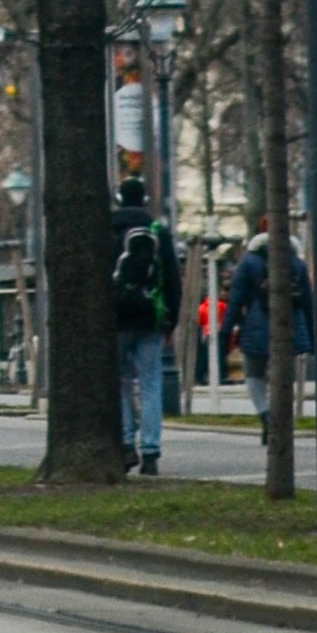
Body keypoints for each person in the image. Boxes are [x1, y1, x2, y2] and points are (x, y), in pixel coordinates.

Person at [112, 182, 180, 474]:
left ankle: (126, 442)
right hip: (151, 317)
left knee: (120, 382)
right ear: (145, 199)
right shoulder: (158, 231)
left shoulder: (107, 229)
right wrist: (170, 320)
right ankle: (151, 451)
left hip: (116, 318)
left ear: (118, 199)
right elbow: (172, 279)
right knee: (151, 383)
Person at [230, 218, 311, 416]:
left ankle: (265, 413)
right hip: (292, 326)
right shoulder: (297, 262)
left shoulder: (249, 261)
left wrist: (227, 330)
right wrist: (312, 334)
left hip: (256, 324)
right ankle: (281, 415)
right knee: (284, 375)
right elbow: (308, 300)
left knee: (254, 373)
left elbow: (236, 298)